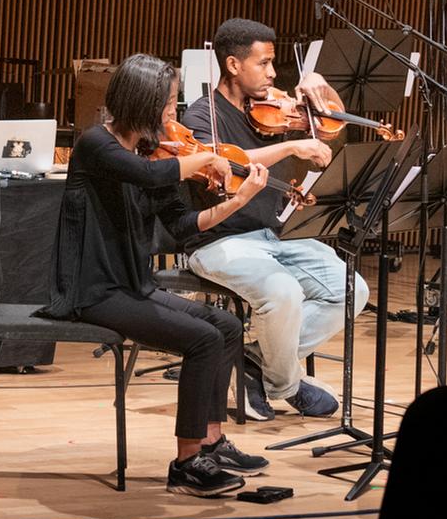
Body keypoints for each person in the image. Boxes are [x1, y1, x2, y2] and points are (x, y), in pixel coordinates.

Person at [37, 53, 272, 496]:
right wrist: (205, 159)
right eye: (167, 102)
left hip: (133, 284)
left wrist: (236, 202)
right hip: (94, 290)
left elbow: (182, 225)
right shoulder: (96, 146)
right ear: (140, 101)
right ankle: (186, 464)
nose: (173, 111)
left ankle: (211, 441)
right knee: (201, 339)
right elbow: (148, 174)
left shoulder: (154, 150)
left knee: (225, 325)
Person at [165, 18, 367, 421]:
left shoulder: (273, 109)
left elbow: (332, 133)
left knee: (352, 290)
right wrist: (292, 145)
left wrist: (326, 97)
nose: (273, 74)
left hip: (276, 236)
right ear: (234, 65)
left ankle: (254, 364)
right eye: (264, 64)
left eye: (274, 64)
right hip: (217, 241)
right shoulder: (203, 117)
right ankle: (287, 383)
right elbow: (224, 160)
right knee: (283, 293)